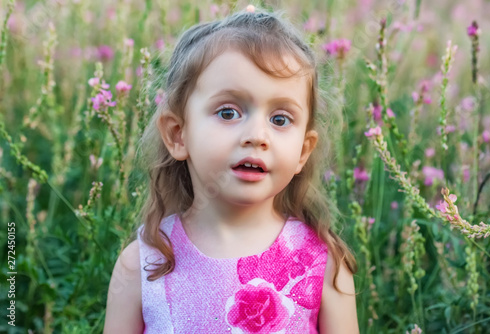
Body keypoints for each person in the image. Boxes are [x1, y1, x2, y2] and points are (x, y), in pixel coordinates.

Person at [104, 6, 358, 334]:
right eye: (228, 113)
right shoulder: (143, 264)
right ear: (178, 134)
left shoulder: (322, 264)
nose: (256, 135)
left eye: (280, 119)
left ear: (303, 152)